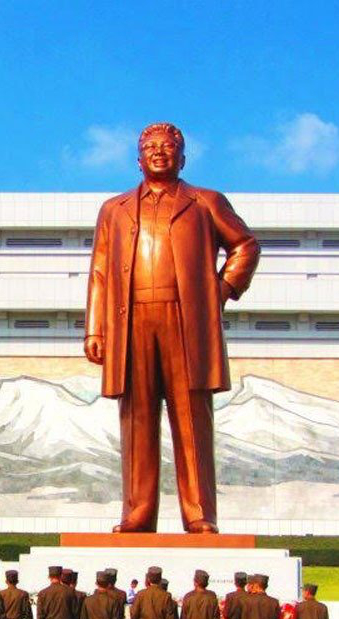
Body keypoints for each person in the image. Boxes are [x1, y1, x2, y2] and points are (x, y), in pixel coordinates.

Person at [84, 122, 260, 533]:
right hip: (133, 320)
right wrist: (95, 329)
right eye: (150, 146)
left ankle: (199, 514)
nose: (159, 152)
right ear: (138, 157)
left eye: (168, 146)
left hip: (186, 320)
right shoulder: (115, 208)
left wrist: (222, 288)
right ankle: (137, 512)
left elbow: (245, 245)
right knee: (137, 418)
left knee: (191, 418)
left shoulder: (204, 201)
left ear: (183, 157)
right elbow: (98, 272)